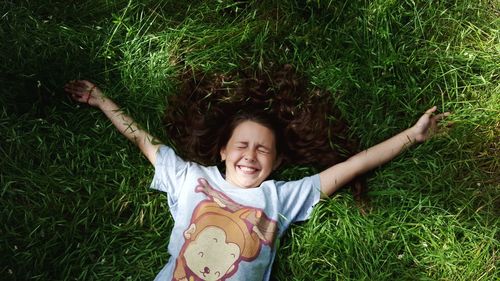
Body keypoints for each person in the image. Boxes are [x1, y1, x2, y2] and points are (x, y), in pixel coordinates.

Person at [64, 70, 449, 281]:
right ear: (223, 151)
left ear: (277, 162)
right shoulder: (190, 178)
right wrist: (100, 99)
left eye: (262, 149)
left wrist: (411, 136)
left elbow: (350, 168)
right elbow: (145, 142)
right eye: (242, 146)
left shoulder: (280, 198)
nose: (250, 155)